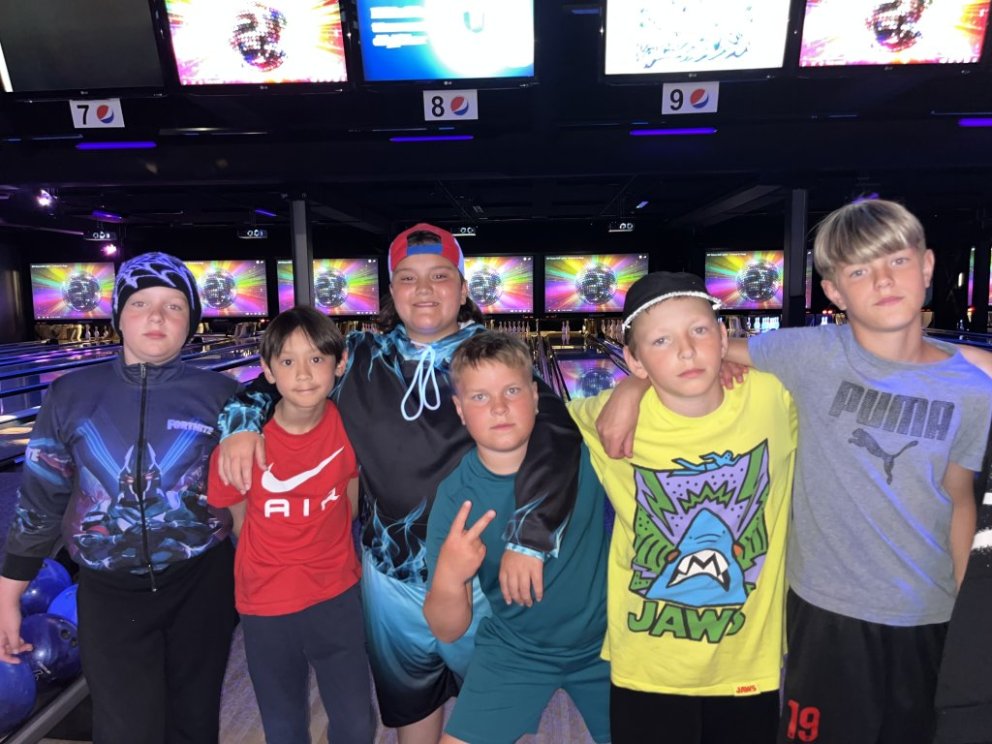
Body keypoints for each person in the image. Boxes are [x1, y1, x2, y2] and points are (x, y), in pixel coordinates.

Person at [598, 199, 992, 744]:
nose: (883, 281)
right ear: (833, 291)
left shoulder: (972, 388)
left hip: (927, 610)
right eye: (859, 270)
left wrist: (967, 618)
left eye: (898, 262)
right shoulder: (808, 354)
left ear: (927, 266)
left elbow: (960, 500)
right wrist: (632, 385)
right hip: (823, 610)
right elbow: (701, 352)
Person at [214, 223, 581, 744]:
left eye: (439, 276)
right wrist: (240, 426)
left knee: (488, 715)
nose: (424, 289)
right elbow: (273, 385)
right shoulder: (358, 357)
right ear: (392, 291)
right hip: (390, 576)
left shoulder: (495, 358)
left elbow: (559, 438)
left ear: (463, 288)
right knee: (413, 704)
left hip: (483, 570)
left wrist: (532, 537)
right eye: (408, 278)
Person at [0, 252, 239, 744]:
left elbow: (255, 493)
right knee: (125, 730)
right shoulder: (70, 394)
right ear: (118, 316)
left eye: (174, 306)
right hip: (108, 593)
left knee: (195, 725)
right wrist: (8, 597)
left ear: (191, 320)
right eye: (140, 303)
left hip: (202, 584)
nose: (157, 317)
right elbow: (39, 503)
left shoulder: (225, 395)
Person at [568, 272, 797, 744]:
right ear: (634, 359)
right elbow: (520, 411)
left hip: (746, 664)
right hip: (647, 664)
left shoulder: (772, 397)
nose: (687, 351)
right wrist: (631, 389)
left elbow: (847, 359)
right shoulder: (607, 416)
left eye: (699, 331)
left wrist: (738, 355)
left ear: (723, 336)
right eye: (661, 340)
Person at [424, 332, 611, 744]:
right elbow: (447, 629)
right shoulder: (456, 498)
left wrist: (631, 389)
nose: (499, 407)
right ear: (459, 410)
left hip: (610, 644)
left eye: (511, 391)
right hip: (516, 650)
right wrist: (450, 576)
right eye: (479, 397)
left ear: (537, 397)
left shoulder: (586, 456)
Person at [207, 305, 373, 744]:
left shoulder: (349, 427)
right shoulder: (239, 448)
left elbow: (351, 498)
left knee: (357, 725)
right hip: (266, 603)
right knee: (283, 727)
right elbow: (239, 520)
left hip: (336, 595)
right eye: (287, 361)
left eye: (316, 359)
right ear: (267, 371)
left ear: (339, 364)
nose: (303, 374)